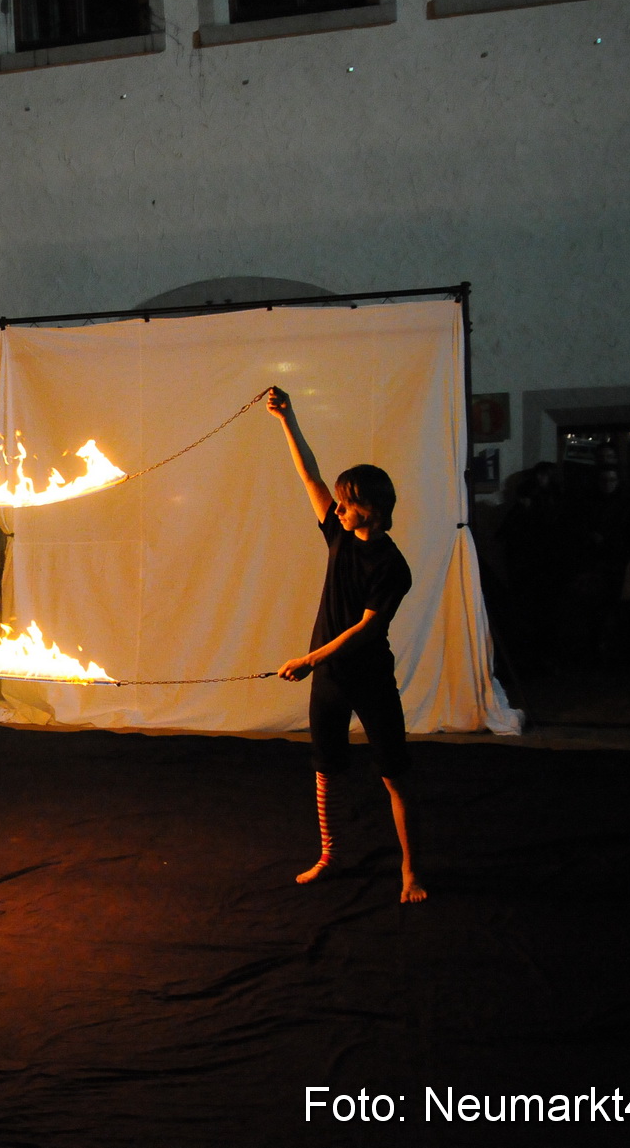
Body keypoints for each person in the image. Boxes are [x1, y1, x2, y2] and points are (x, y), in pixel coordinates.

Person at [265, 386, 425, 904]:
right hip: (329, 680)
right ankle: (329, 857)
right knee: (325, 770)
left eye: (347, 501)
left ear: (370, 510)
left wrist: (309, 660)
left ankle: (410, 871)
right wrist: (288, 418)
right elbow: (309, 475)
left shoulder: (393, 567)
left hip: (369, 678)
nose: (337, 506)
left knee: (394, 775)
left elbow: (366, 630)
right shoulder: (337, 533)